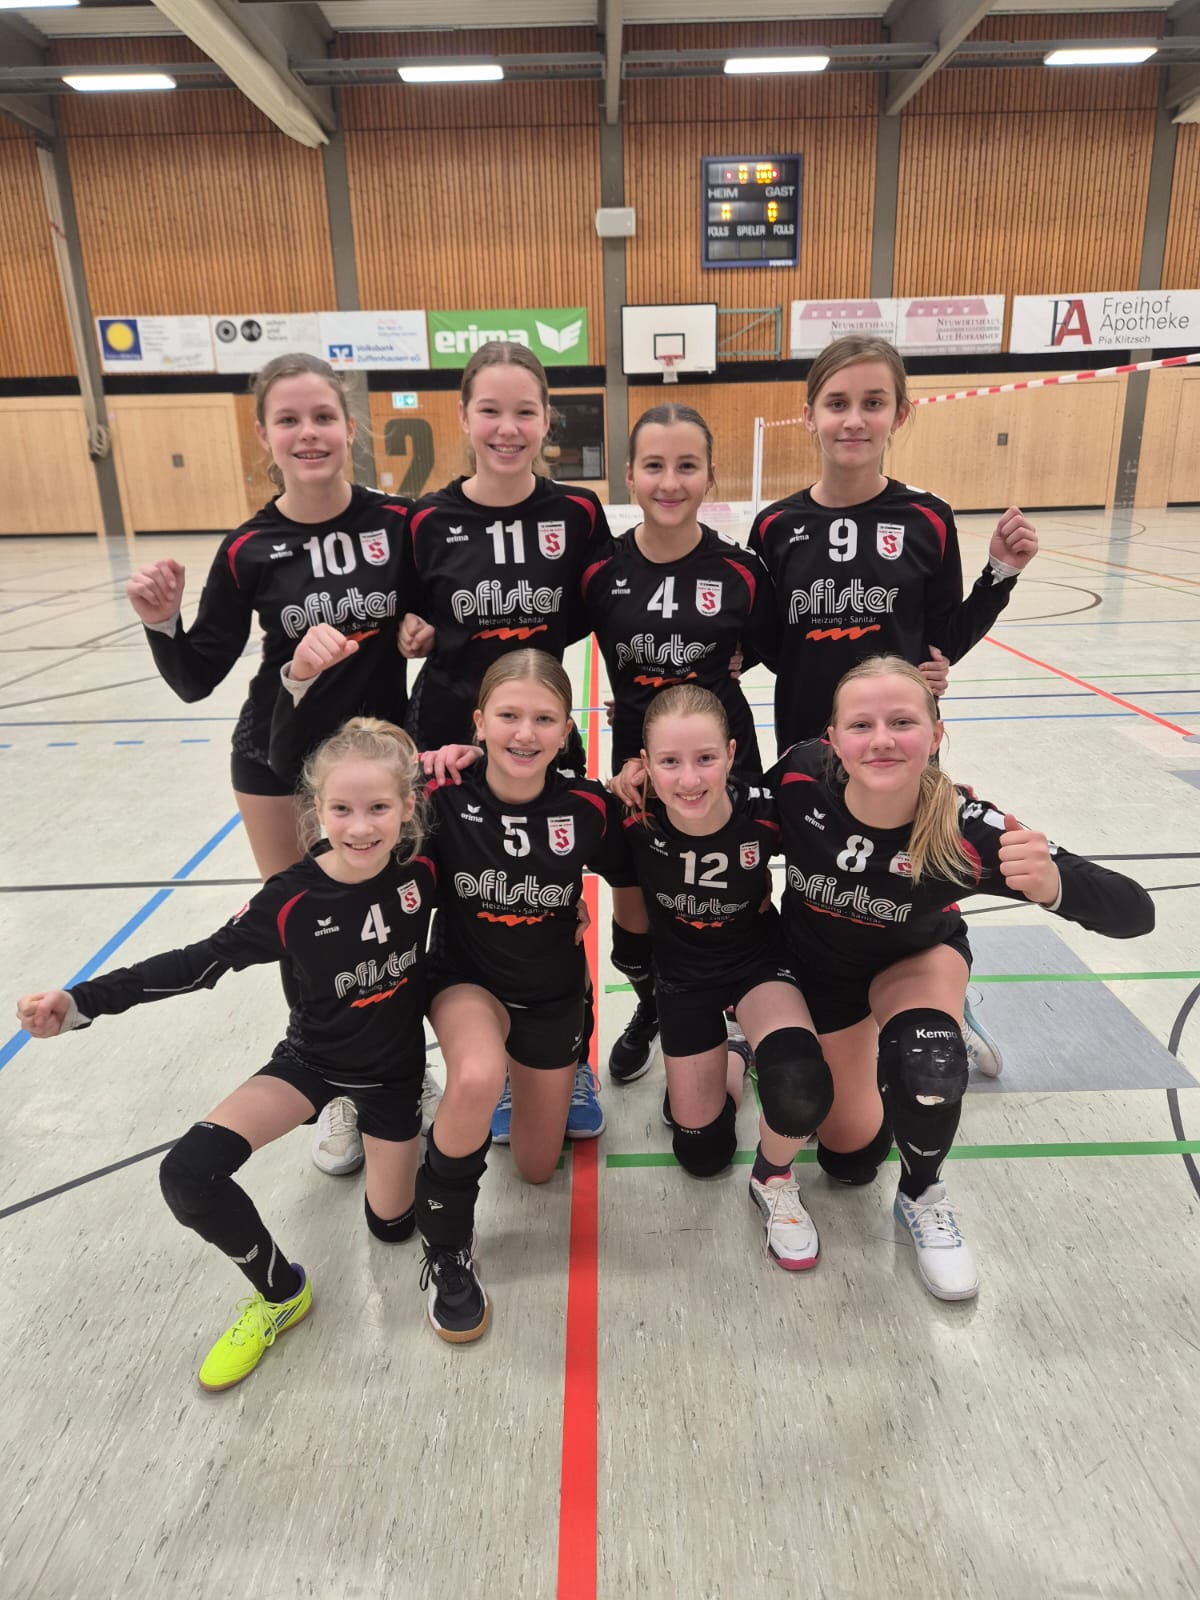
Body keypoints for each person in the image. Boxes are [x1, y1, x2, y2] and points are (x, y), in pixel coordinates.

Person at [15, 719, 436, 1389]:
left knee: (392, 1228)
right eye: (341, 809)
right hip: (310, 1063)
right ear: (317, 809)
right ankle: (281, 1294)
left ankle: (396, 1127)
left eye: (379, 807)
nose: (360, 827)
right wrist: (81, 1002)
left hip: (393, 1075)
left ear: (408, 806)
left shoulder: (426, 869)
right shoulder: (292, 897)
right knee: (187, 1174)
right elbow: (199, 963)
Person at [123, 354, 432, 1177]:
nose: (308, 434)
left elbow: (437, 606)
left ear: (350, 427)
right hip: (277, 760)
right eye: (289, 420)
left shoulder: (400, 523)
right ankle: (335, 1092)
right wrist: (162, 622)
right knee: (311, 930)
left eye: (323, 417)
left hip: (376, 764)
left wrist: (425, 629)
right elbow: (197, 677)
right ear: (264, 436)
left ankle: (394, 1067)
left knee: (391, 919)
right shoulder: (248, 548)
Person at [769, 656, 1154, 1300]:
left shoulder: (965, 827)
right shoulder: (799, 778)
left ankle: (923, 1193)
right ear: (831, 739)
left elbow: (1135, 912)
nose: (882, 740)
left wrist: (1054, 887)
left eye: (902, 722)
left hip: (912, 961)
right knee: (849, 1161)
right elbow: (722, 819)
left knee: (928, 1066)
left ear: (936, 733)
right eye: (861, 725)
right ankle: (885, 1036)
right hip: (823, 971)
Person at [747, 333, 1040, 1077]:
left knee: (921, 867)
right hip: (810, 738)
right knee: (812, 868)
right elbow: (770, 644)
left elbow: (941, 641)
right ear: (808, 414)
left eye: (873, 403)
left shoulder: (927, 519)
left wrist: (1000, 574)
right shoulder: (775, 527)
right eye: (837, 403)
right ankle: (790, 997)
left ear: (899, 414)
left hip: (902, 748)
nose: (854, 419)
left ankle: (941, 997)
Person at [396, 340, 615, 1141]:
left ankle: (569, 1052)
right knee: (461, 901)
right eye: (490, 410)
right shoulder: (426, 520)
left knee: (555, 903)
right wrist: (412, 629)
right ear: (464, 417)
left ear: (547, 418)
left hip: (538, 731)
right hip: (449, 731)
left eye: (525, 411)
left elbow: (609, 606)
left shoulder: (578, 513)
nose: (508, 428)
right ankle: (475, 1054)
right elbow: (402, 610)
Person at [415, 650, 636, 1343]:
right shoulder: (441, 794)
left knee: (538, 1169)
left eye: (544, 719)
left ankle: (553, 1062)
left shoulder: (588, 806)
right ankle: (447, 1247)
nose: (524, 733)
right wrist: (414, 763)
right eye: (508, 715)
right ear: (479, 722)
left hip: (549, 993)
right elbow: (352, 795)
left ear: (567, 729)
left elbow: (638, 875)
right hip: (467, 981)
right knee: (476, 1074)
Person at [582, 405, 777, 1086]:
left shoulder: (740, 571)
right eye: (655, 466)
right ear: (630, 475)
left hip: (723, 766)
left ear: (710, 476)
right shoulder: (600, 572)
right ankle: (655, 1004)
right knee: (634, 918)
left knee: (728, 900)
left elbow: (782, 648)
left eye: (687, 466)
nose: (670, 482)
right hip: (638, 770)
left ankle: (732, 1014)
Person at [616, 685, 831, 1270]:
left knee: (801, 1087)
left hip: (758, 966)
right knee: (702, 1155)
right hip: (682, 979)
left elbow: (844, 800)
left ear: (732, 754)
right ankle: (735, 1053)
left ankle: (773, 1177)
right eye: (669, 761)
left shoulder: (767, 810)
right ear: (644, 763)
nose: (689, 779)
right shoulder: (629, 815)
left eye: (706, 758)